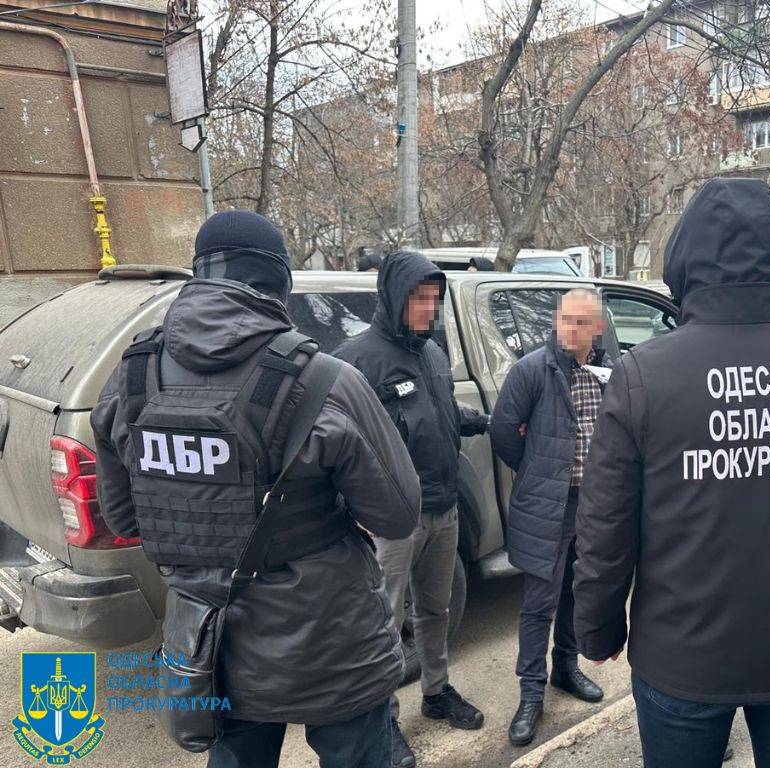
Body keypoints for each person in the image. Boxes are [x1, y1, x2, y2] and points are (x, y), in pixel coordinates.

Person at [573, 178, 770, 768]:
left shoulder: (644, 375)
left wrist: (597, 629)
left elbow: (606, 526)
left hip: (682, 657)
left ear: (685, 257)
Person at [90, 210, 422, 768]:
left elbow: (124, 519)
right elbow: (398, 514)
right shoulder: (324, 379)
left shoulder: (132, 376)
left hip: (213, 643)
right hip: (332, 643)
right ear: (278, 282)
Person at [334, 250, 489, 768]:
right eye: (419, 298)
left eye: (435, 299)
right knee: (383, 622)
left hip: (444, 509)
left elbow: (438, 412)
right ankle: (385, 717)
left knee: (436, 610)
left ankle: (436, 691)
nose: (429, 308)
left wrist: (484, 420)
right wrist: (353, 508)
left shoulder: (433, 354)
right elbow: (338, 443)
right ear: (395, 297)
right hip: (391, 520)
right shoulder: (357, 360)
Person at [490, 289, 608, 748]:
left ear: (597, 327)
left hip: (593, 505)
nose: (571, 330)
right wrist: (536, 470)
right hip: (547, 505)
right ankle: (531, 693)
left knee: (578, 592)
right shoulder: (531, 370)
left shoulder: (608, 371)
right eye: (565, 320)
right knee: (539, 604)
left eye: (582, 322)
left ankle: (566, 667)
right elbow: (504, 431)